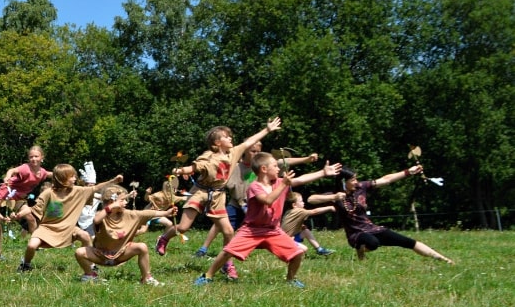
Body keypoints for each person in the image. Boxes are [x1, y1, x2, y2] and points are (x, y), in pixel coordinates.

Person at [194, 152, 340, 288]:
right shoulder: (254, 186)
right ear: (264, 169)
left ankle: (291, 279)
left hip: (273, 231)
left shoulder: (279, 182)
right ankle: (207, 276)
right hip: (252, 230)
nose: (278, 169)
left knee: (297, 253)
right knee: (228, 251)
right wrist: (284, 184)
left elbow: (301, 179)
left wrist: (323, 173)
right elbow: (267, 200)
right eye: (275, 166)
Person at [155, 117, 282, 260]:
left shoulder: (234, 152)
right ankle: (164, 238)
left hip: (217, 195)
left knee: (228, 232)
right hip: (200, 192)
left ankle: (227, 264)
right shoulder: (208, 156)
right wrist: (181, 170)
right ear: (217, 142)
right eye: (226, 137)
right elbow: (195, 167)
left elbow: (249, 142)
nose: (230, 138)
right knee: (183, 227)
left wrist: (267, 129)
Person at [310, 165, 454, 264]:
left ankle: (445, 260)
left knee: (409, 242)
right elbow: (311, 199)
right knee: (373, 243)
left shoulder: (362, 187)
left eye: (356, 178)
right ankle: (361, 250)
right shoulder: (335, 195)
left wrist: (408, 172)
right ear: (343, 182)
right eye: (352, 179)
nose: (356, 182)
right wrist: (333, 198)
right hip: (355, 234)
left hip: (372, 228)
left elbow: (386, 179)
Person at [19, 165, 123, 272]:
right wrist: (19, 214)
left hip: (69, 229)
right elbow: (34, 209)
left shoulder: (78, 191)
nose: (75, 179)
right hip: (47, 228)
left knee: (85, 236)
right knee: (31, 246)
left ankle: (91, 265)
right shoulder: (48, 193)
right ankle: (26, 264)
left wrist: (113, 181)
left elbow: (97, 188)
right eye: (72, 176)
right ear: (62, 178)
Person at [74, 186, 173, 285]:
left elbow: (147, 213)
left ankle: (146, 278)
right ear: (111, 202)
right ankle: (90, 275)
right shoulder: (101, 216)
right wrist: (112, 206)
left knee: (142, 247)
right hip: (100, 256)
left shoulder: (130, 214)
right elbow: (96, 220)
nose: (126, 203)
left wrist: (166, 212)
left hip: (121, 255)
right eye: (122, 200)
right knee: (79, 252)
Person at [0, 145, 50, 236]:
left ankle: (35, 242)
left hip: (19, 196)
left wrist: (66, 175)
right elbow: (12, 170)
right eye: (31, 157)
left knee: (31, 218)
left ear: (42, 157)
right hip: (8, 190)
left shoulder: (42, 172)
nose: (33, 159)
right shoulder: (25, 168)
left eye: (36, 156)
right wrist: (7, 177)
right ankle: (2, 225)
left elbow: (52, 174)